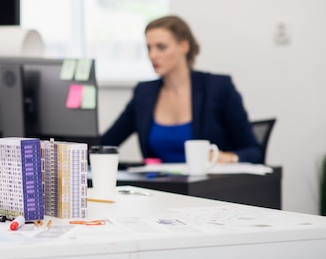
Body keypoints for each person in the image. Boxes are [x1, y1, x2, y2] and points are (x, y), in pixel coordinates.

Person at [99, 15, 262, 164]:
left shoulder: (217, 88)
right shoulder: (144, 93)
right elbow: (106, 143)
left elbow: (254, 151)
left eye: (161, 47)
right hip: (160, 189)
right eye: (149, 48)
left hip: (208, 188)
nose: (153, 55)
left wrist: (228, 157)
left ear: (184, 46)